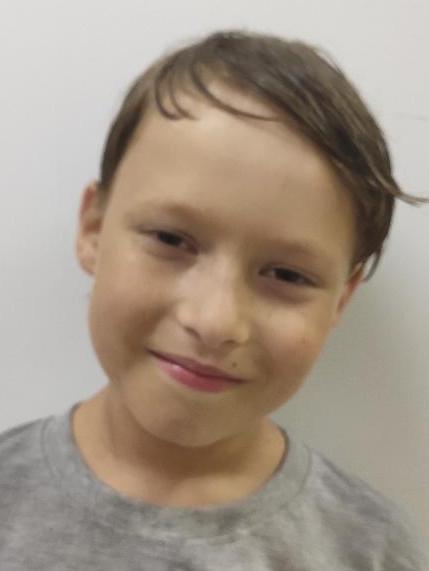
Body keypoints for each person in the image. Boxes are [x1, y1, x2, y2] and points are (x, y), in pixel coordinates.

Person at [0, 29, 427, 570]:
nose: (215, 321)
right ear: (94, 228)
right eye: (171, 239)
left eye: (287, 274)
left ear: (341, 301)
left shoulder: (371, 551)